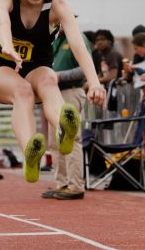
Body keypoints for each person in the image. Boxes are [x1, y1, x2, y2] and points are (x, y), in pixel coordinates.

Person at [0, 0, 105, 183]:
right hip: (2, 68)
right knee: (22, 91)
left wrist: (95, 82)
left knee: (50, 79)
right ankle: (31, 154)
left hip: (38, 67)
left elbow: (78, 45)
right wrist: (8, 46)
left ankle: (63, 128)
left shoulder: (57, 5)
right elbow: (1, 20)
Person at [41, 29, 92, 200]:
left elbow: (85, 69)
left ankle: (75, 185)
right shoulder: (56, 40)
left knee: (71, 139)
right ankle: (62, 183)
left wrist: (58, 76)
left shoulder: (77, 38)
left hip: (70, 92)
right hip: (54, 94)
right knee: (55, 142)